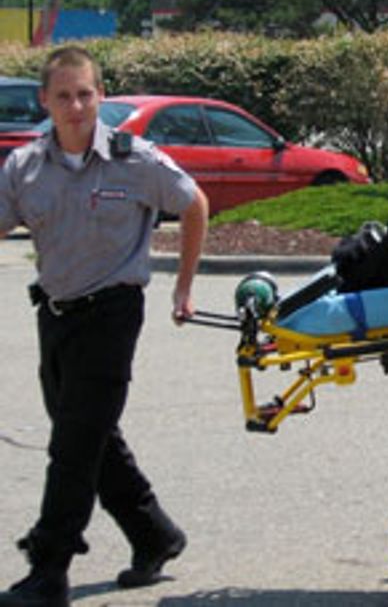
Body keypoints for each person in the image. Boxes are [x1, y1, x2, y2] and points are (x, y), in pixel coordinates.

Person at [0, 46, 208, 607]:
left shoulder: (134, 160)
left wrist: (183, 287)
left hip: (112, 316)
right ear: (44, 101)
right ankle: (154, 533)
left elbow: (194, 204)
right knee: (91, 436)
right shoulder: (24, 167)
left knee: (72, 445)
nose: (75, 107)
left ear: (100, 96)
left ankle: (49, 569)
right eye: (63, 96)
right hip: (55, 315)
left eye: (85, 94)